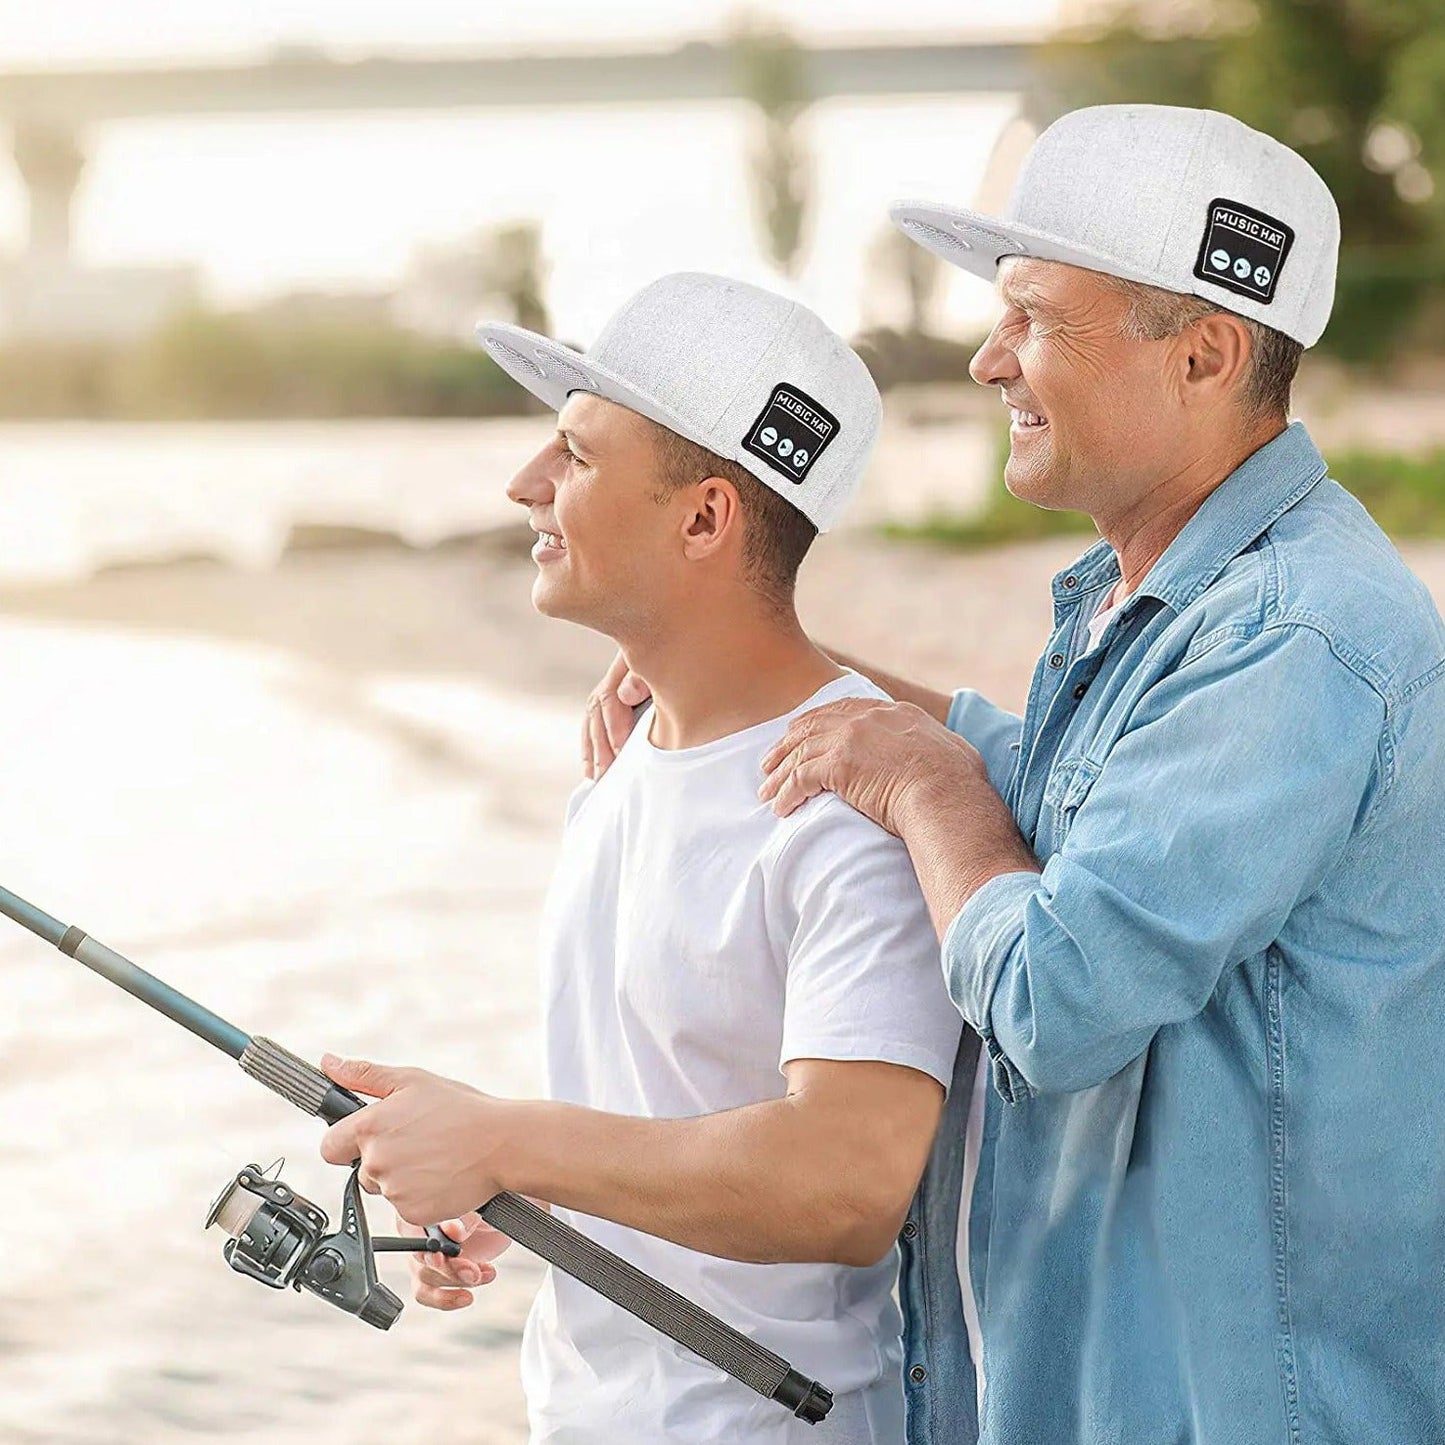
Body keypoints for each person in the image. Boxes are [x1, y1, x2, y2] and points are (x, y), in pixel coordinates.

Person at [581, 107, 1445, 1443]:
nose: (986, 359)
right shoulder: (1167, 600)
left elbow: (1056, 995)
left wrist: (924, 792)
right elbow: (1043, 776)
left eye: (1032, 317)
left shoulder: (1293, 637)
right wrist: (762, 675)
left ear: (1206, 352)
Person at [318, 272, 963, 1444]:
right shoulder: (619, 761)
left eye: (573, 452)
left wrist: (507, 1136)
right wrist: (513, 1189)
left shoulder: (853, 793)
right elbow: (668, 1103)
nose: (524, 484)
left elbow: (847, 1175)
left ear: (704, 519)